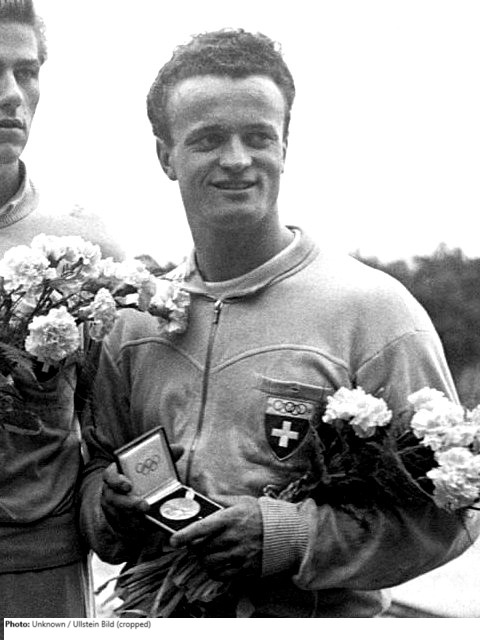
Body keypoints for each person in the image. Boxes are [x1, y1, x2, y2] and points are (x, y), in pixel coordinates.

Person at [79, 29, 479, 617]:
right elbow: (94, 471)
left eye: (258, 137)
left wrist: (289, 536)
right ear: (165, 156)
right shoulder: (133, 321)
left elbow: (452, 511)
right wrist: (107, 507)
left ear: (285, 146)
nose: (237, 159)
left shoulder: (373, 311)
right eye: (208, 139)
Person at [0, 0, 124, 619]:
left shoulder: (84, 247)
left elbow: (115, 433)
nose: (11, 95)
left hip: (38, 575)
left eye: (26, 72)